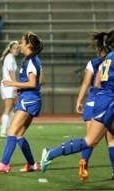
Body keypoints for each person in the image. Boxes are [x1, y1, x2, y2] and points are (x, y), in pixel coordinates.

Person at [41, 30, 114, 180]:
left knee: (111, 139)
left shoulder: (107, 59)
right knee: (90, 140)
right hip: (108, 103)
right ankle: (50, 153)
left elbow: (98, 82)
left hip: (105, 100)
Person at [0, 32, 45, 173]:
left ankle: (4, 164)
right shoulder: (33, 60)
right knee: (18, 135)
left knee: (11, 132)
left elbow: (32, 83)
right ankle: (32, 164)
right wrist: (21, 87)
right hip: (33, 99)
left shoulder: (31, 61)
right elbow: (40, 81)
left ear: (29, 45)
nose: (20, 45)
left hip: (29, 100)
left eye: (22, 42)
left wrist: (14, 83)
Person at [75, 32, 114, 182]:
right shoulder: (111, 60)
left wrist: (79, 101)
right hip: (108, 102)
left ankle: (84, 163)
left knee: (89, 139)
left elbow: (86, 83)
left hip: (92, 103)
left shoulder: (93, 63)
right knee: (111, 141)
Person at [0, 41, 20, 137]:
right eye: (14, 48)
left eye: (18, 48)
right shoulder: (10, 58)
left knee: (15, 106)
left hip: (8, 85)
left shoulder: (10, 58)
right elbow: (11, 72)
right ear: (10, 49)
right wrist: (16, 84)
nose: (17, 50)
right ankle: (3, 131)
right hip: (8, 86)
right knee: (8, 108)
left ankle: (9, 129)